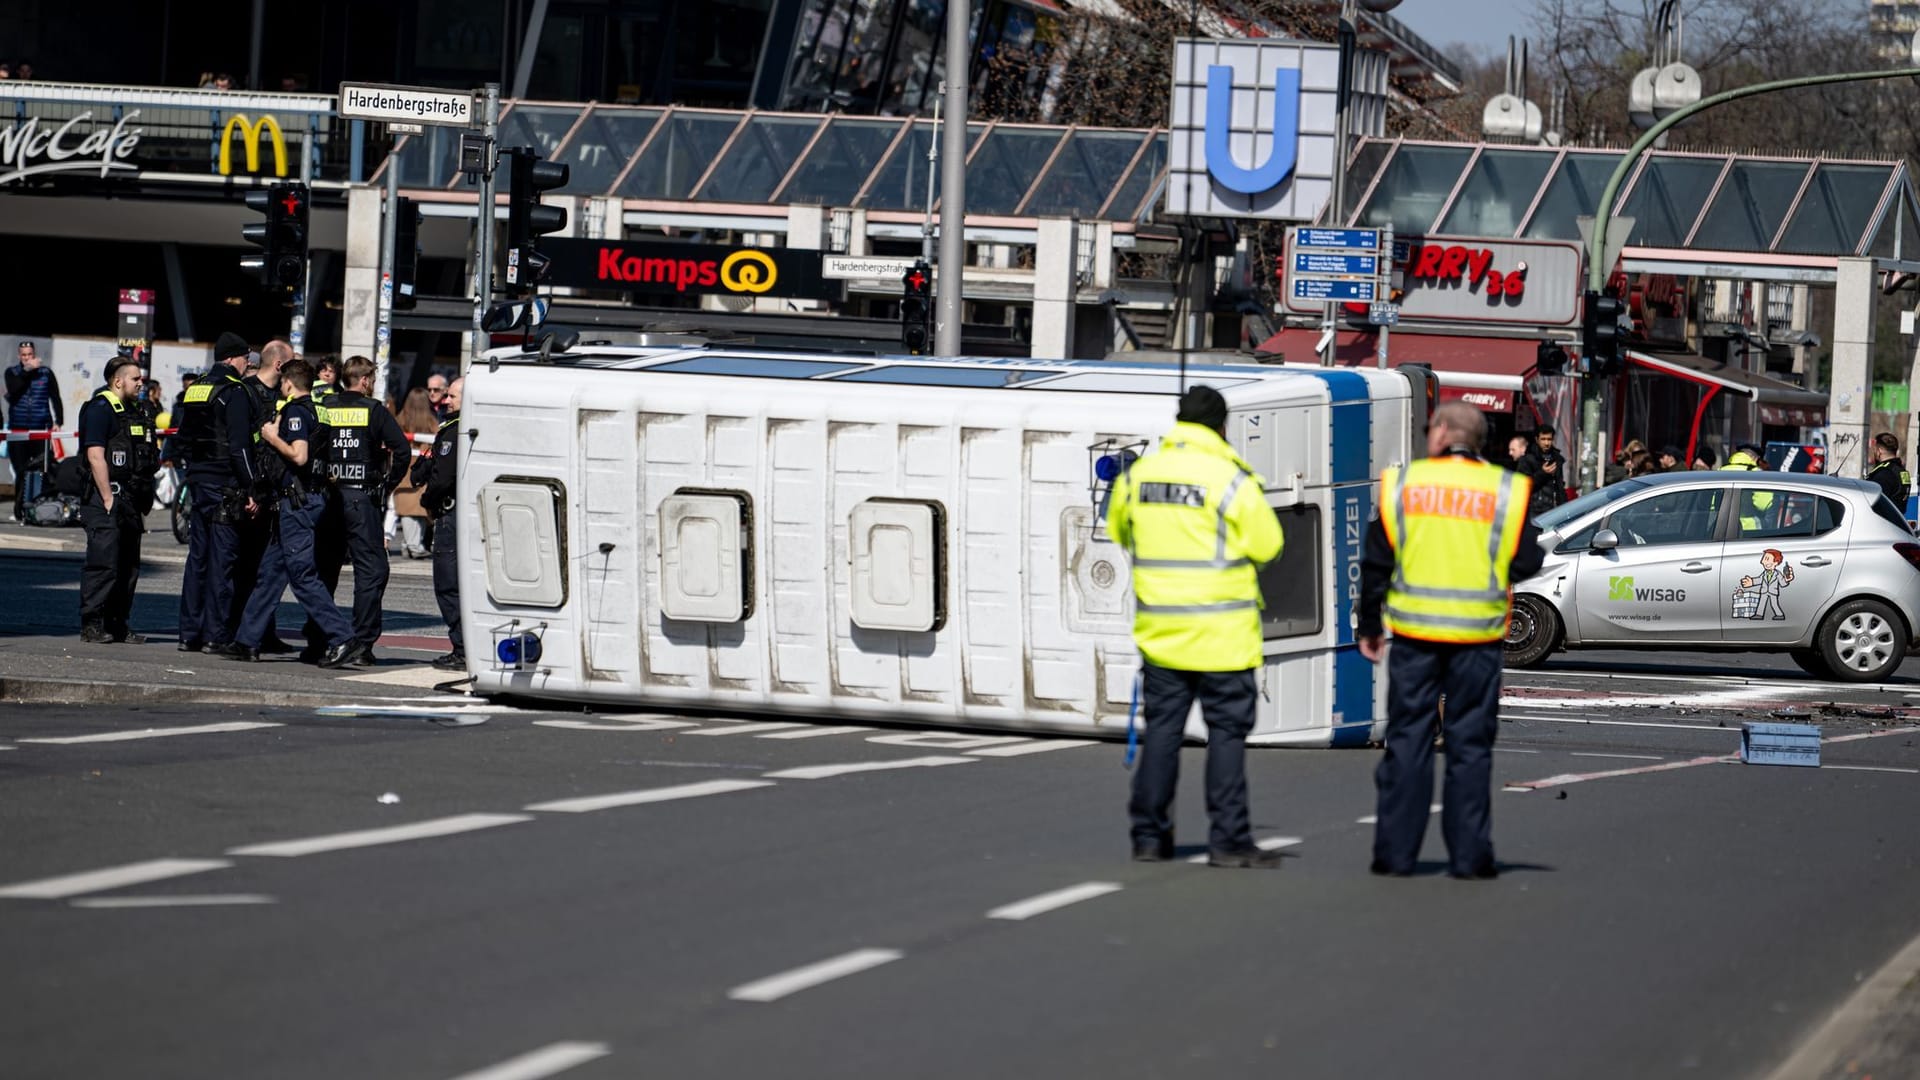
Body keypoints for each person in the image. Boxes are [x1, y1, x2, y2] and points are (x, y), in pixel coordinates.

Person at [1359, 402, 1544, 880]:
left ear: (1441, 432)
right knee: (1469, 746)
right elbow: (1527, 562)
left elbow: (1377, 557)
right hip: (1476, 638)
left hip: (1416, 635)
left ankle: (1396, 856)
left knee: (1408, 742)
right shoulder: (1505, 488)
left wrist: (1369, 625)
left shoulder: (1405, 484)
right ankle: (1469, 858)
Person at [1105, 385, 1287, 869]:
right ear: (1221, 426)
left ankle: (1149, 837)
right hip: (1224, 638)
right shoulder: (1231, 479)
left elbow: (1119, 530)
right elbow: (1269, 545)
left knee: (1162, 733)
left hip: (1162, 634)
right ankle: (1227, 842)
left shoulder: (1139, 475)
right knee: (1225, 736)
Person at [219, 361, 356, 665]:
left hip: (298, 502)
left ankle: (342, 638)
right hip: (306, 499)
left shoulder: (296, 410)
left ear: (290, 384)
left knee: (303, 575)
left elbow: (299, 454)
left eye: (282, 384)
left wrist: (271, 437)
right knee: (270, 573)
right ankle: (247, 641)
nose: (280, 388)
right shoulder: (319, 410)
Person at [316, 356, 411, 668]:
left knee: (324, 569)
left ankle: (322, 639)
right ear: (366, 380)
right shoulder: (374, 410)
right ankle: (361, 642)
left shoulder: (326, 406)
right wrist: (387, 484)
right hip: (361, 499)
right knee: (372, 571)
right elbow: (402, 450)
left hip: (329, 499)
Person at [175, 332, 262, 653]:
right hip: (226, 484)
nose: (246, 365)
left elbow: (182, 438)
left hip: (198, 482)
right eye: (244, 359)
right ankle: (216, 634)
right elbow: (239, 448)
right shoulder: (234, 391)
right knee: (222, 561)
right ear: (231, 358)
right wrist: (251, 487)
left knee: (197, 558)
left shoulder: (196, 388)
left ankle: (188, 633)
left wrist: (195, 471)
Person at [76, 356, 158, 643]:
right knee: (103, 563)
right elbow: (95, 456)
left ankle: (119, 623)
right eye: (135, 378)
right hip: (105, 498)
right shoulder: (100, 409)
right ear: (117, 380)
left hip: (131, 500)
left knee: (128, 566)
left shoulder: (135, 411)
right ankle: (93, 624)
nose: (140, 383)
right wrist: (108, 497)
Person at [229, 339, 294, 652]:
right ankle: (241, 632)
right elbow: (242, 445)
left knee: (266, 568)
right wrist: (249, 489)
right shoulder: (247, 392)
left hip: (274, 489)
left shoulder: (280, 395)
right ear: (279, 365)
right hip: (254, 490)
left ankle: (264, 633)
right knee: (248, 565)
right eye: (291, 364)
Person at [299, 355, 345, 663]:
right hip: (334, 491)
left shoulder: (306, 401)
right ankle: (333, 634)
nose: (327, 376)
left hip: (311, 489)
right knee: (319, 572)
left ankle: (319, 634)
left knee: (302, 568)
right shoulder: (340, 400)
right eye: (325, 371)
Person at [418, 377, 464, 669]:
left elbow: (442, 479)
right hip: (467, 515)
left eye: (451, 396)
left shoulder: (452, 432)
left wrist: (427, 502)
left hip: (452, 516)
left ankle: (462, 649)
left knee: (448, 584)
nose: (445, 400)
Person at [6, 340, 63, 522]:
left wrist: (58, 420)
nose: (27, 358)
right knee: (20, 471)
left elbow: (55, 396)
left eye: (30, 355)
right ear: (19, 356)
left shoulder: (46, 373)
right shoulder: (12, 373)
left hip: (40, 428)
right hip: (18, 429)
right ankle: (19, 510)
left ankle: (41, 509)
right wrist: (27, 371)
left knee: (43, 469)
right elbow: (14, 390)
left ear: (34, 354)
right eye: (24, 355)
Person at [387, 387, 438, 558]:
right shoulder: (432, 423)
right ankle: (414, 545)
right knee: (420, 510)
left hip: (403, 472)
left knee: (405, 509)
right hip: (422, 473)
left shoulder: (399, 420)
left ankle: (410, 544)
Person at [1516, 424, 1567, 519]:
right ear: (1537, 439)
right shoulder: (1527, 460)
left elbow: (1560, 486)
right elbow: (1523, 485)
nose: (1546, 443)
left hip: (1555, 509)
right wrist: (1542, 473)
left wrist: (1565, 508)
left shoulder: (1557, 459)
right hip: (1534, 510)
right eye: (1543, 439)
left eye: (1549, 439)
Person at [1867, 432, 1911, 510]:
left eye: (1874, 449)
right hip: (1898, 518)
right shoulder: (1902, 471)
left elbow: (1872, 502)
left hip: (1881, 520)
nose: (1874, 452)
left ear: (1879, 451)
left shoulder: (1884, 474)